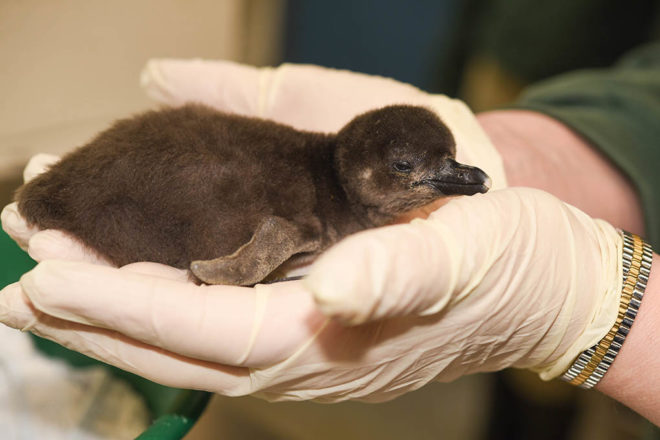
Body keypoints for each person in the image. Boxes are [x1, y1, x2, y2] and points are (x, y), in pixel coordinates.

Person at [1, 41, 659, 429]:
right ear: (364, 171)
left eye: (444, 162)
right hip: (116, 197)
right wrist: (231, 270)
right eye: (411, 170)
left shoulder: (331, 177)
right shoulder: (307, 212)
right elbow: (270, 235)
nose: (447, 178)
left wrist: (600, 311)